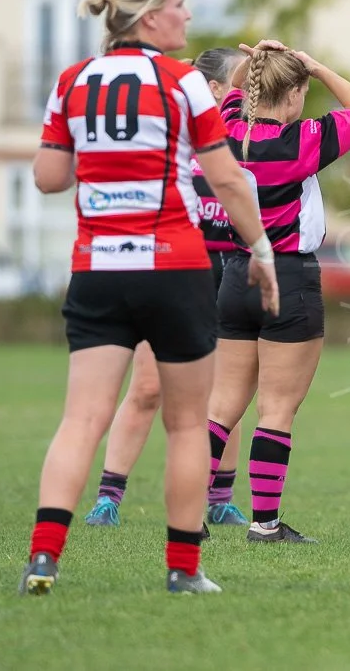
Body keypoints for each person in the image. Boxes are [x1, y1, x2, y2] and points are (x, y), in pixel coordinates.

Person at [21, 0, 279, 596]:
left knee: (81, 420)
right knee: (189, 425)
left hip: (97, 268)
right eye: (181, 6)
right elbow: (226, 180)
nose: (189, 17)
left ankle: (43, 559)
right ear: (149, 18)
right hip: (173, 266)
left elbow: (50, 179)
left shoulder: (72, 81)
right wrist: (261, 248)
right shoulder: (184, 81)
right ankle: (183, 569)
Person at [204, 39, 350, 544]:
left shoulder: (229, 133)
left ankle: (187, 515)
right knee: (276, 410)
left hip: (237, 275)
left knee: (221, 409)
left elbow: (232, 95)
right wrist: (319, 66)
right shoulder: (302, 141)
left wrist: (252, 68)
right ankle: (265, 524)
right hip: (289, 278)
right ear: (297, 91)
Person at [81, 47, 251, 530]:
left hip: (230, 272)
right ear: (215, 89)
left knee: (226, 393)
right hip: (175, 270)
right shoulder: (178, 136)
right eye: (238, 82)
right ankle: (108, 498)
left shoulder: (247, 138)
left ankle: (220, 498)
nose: (247, 91)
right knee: (149, 387)